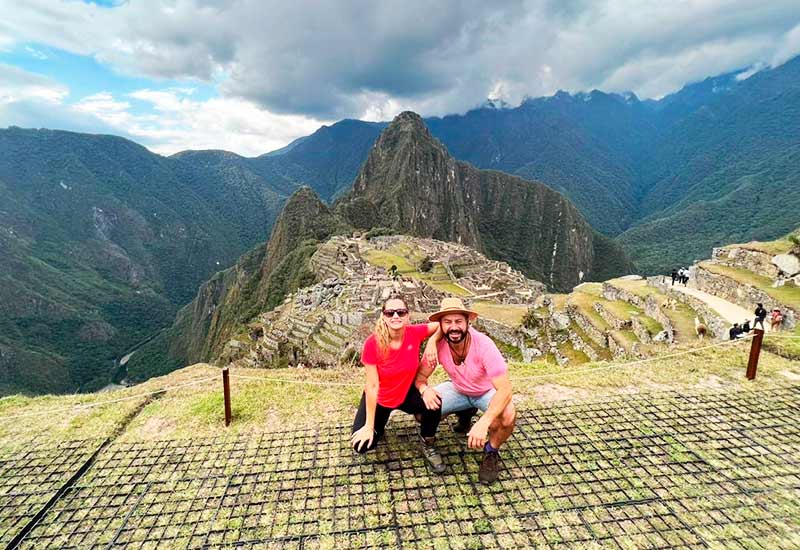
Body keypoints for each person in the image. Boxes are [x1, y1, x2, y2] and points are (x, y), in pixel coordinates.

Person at [415, 298, 516, 485]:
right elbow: (420, 378)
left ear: (467, 322)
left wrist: (484, 422)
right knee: (422, 412)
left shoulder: (484, 345)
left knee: (507, 415)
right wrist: (424, 389)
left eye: (458, 321)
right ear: (441, 326)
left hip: (484, 391)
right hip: (458, 388)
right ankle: (465, 414)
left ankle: (491, 452)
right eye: (448, 322)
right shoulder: (437, 345)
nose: (454, 327)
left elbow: (505, 389)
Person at [350, 295, 447, 473]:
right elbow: (372, 386)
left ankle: (428, 442)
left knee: (434, 404)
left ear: (408, 316)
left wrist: (432, 341)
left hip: (406, 392)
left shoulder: (415, 333)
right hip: (381, 398)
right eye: (390, 312)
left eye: (401, 312)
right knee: (361, 446)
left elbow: (442, 325)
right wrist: (369, 426)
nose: (396, 316)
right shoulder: (372, 344)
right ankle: (379, 425)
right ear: (384, 317)